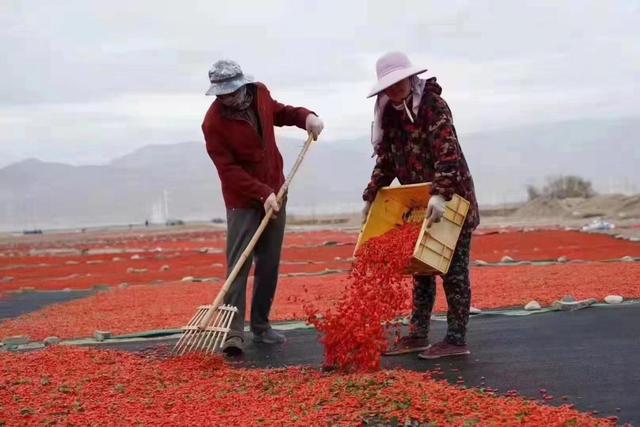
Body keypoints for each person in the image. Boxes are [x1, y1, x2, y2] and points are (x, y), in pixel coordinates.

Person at [202, 59, 324, 355]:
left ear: (242, 85)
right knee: (239, 265)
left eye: (230, 92)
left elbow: (280, 113)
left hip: (277, 190)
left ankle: (261, 326)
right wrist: (260, 193)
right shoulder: (214, 123)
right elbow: (228, 169)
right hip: (242, 201)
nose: (227, 99)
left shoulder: (260, 94)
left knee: (268, 263)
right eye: (221, 95)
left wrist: (306, 117)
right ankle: (233, 334)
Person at [362, 52, 479, 359]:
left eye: (398, 82)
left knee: (453, 270)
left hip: (452, 200)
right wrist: (372, 195)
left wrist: (441, 194)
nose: (394, 89)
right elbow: (386, 161)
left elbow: (447, 153)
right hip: (417, 201)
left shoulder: (432, 106)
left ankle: (456, 339)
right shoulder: (389, 114)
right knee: (421, 268)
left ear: (408, 79)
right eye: (388, 85)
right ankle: (418, 335)